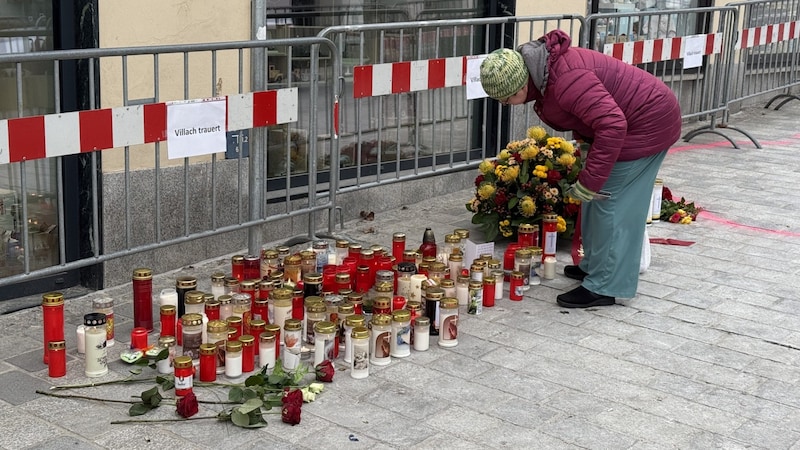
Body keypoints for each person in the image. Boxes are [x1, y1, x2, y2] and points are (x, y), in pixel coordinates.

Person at [479, 29, 681, 308]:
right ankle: (595, 267)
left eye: (506, 99)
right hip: (630, 122)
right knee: (595, 201)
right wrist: (587, 148)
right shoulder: (545, 75)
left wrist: (592, 179)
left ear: (521, 85)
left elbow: (611, 124)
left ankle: (606, 285)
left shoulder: (565, 80)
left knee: (611, 203)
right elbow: (587, 115)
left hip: (647, 123)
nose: (505, 105)